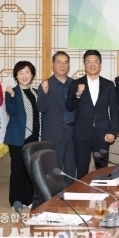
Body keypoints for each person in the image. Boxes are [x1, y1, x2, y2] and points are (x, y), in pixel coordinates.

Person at [66, 50, 118, 178]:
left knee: (103, 170)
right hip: (81, 134)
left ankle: (102, 190)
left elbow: (114, 110)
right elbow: (69, 107)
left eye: (96, 62)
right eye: (88, 62)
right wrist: (78, 94)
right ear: (84, 64)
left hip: (103, 134)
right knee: (82, 170)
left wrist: (112, 131)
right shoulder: (76, 83)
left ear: (100, 64)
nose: (92, 65)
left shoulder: (109, 85)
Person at [36, 51, 76, 185]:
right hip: (54, 134)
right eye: (59, 62)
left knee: (71, 170)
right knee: (54, 170)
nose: (62, 66)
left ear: (69, 65)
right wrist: (45, 92)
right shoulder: (45, 84)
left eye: (65, 63)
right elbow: (41, 108)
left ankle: (70, 195)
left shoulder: (75, 84)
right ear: (52, 64)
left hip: (73, 133)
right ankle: (54, 196)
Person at [4, 61, 39, 208]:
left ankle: (29, 199)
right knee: (17, 170)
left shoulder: (36, 93)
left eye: (27, 72)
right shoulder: (12, 91)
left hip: (34, 137)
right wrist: (12, 95)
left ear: (32, 74)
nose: (24, 76)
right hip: (17, 136)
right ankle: (16, 200)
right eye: (21, 73)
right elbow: (10, 111)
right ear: (16, 76)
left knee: (30, 170)